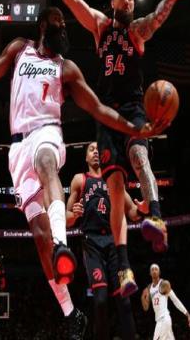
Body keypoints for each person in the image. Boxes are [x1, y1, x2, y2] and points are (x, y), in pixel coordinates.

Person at [0, 6, 161, 338]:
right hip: (17, 149)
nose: (63, 29)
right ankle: (70, 312)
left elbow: (98, 108)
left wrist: (135, 128)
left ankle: (61, 245)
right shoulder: (19, 49)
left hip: (47, 133)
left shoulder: (66, 68)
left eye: (65, 26)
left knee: (46, 164)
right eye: (58, 23)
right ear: (43, 25)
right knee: (39, 236)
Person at [61, 0, 190, 296]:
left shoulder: (137, 31)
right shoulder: (100, 26)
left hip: (134, 108)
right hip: (106, 115)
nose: (128, 0)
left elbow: (157, 18)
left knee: (140, 157)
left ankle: (157, 217)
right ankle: (123, 268)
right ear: (112, 2)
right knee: (116, 187)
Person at [67, 141, 145, 340]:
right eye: (91, 149)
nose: (95, 152)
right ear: (86, 157)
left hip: (113, 242)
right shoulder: (79, 179)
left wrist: (142, 208)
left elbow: (132, 212)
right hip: (91, 243)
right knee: (100, 300)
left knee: (124, 300)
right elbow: (65, 218)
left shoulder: (113, 179)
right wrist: (73, 214)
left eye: (98, 149)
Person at [141, 263, 190, 340]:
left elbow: (175, 300)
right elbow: (146, 308)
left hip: (164, 319)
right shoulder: (149, 288)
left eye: (156, 269)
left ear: (159, 272)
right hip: (159, 320)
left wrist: (187, 314)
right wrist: (142, 297)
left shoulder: (164, 284)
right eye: (152, 269)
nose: (154, 271)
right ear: (150, 273)